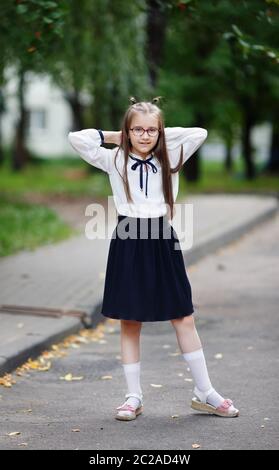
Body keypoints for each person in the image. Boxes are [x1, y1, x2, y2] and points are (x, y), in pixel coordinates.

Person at [68, 96, 239, 421]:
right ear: (127, 131)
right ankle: (133, 397)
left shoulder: (171, 154)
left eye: (151, 130)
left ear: (159, 132)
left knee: (183, 316)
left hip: (162, 240)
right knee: (130, 321)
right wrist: (118, 136)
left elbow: (198, 133)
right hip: (129, 241)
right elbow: (77, 139)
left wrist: (158, 132)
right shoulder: (114, 159)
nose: (144, 136)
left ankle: (204, 391)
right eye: (138, 130)